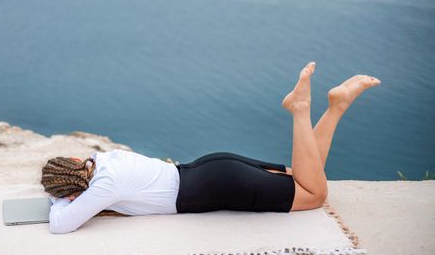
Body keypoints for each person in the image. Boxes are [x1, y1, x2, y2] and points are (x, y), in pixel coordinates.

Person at [41, 62, 381, 234]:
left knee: (315, 194)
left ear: (74, 190)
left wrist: (59, 198)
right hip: (209, 167)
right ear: (76, 161)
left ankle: (301, 109)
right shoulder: (104, 160)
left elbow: (60, 225)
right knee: (307, 175)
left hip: (216, 186)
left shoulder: (104, 188)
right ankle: (337, 105)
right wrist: (65, 185)